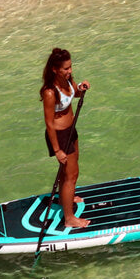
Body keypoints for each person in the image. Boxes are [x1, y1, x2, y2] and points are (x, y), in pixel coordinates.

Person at [41, 48, 91, 228]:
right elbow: (49, 124)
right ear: (55, 69)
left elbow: (74, 94)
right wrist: (57, 150)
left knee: (69, 170)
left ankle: (64, 198)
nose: (69, 71)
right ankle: (69, 219)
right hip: (60, 136)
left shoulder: (68, 80)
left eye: (70, 67)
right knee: (72, 175)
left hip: (71, 130)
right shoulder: (49, 92)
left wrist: (80, 88)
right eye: (65, 69)